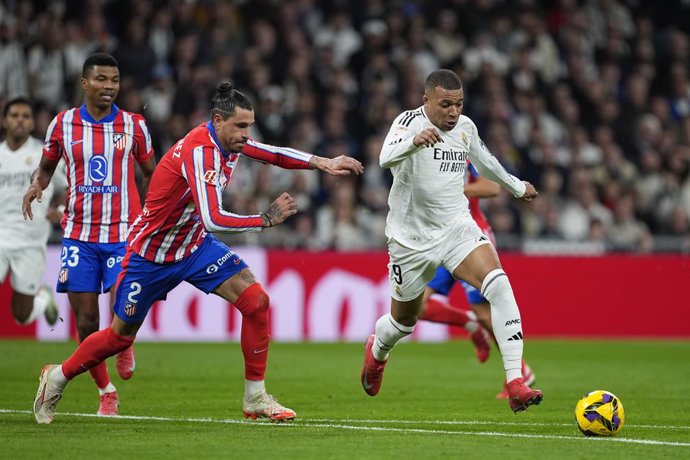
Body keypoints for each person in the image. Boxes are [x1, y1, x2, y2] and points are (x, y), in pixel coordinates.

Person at [31, 81, 364, 425]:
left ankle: (256, 398)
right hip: (151, 256)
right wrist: (264, 220)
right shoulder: (200, 150)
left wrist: (322, 162)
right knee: (118, 337)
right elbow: (214, 217)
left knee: (256, 301)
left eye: (249, 125)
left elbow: (273, 153)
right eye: (240, 126)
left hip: (193, 246)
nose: (246, 134)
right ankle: (56, 377)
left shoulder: (231, 143)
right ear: (218, 121)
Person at [360, 69, 543, 413]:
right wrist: (414, 141)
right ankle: (378, 349)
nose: (453, 112)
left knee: (499, 286)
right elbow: (385, 157)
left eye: (458, 104)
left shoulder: (465, 128)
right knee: (403, 322)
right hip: (411, 238)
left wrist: (516, 187)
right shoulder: (408, 122)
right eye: (445, 104)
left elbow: (486, 162)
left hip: (457, 227)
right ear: (426, 100)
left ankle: (515, 380)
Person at [23, 53, 156, 416]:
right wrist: (37, 185)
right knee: (85, 320)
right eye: (101, 80)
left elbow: (151, 172)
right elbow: (46, 167)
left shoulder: (134, 125)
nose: (109, 87)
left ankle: (124, 340)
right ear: (85, 83)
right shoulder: (62, 124)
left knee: (123, 304)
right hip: (79, 234)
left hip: (123, 232)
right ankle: (105, 390)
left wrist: (152, 212)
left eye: (114, 80)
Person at [419, 161, 536, 398]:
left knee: (485, 312)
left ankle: (521, 370)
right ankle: (471, 324)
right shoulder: (422, 150)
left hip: (470, 238)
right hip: (441, 239)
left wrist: (454, 189)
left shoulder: (460, 153)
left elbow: (492, 187)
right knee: (419, 306)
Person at [0, 97, 63, 327]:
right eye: (14, 115)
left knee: (22, 315)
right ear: (4, 121)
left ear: (32, 123)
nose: (20, 120)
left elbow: (67, 189)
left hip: (30, 242)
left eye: (25, 116)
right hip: (0, 236)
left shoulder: (44, 156)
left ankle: (44, 298)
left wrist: (59, 208)